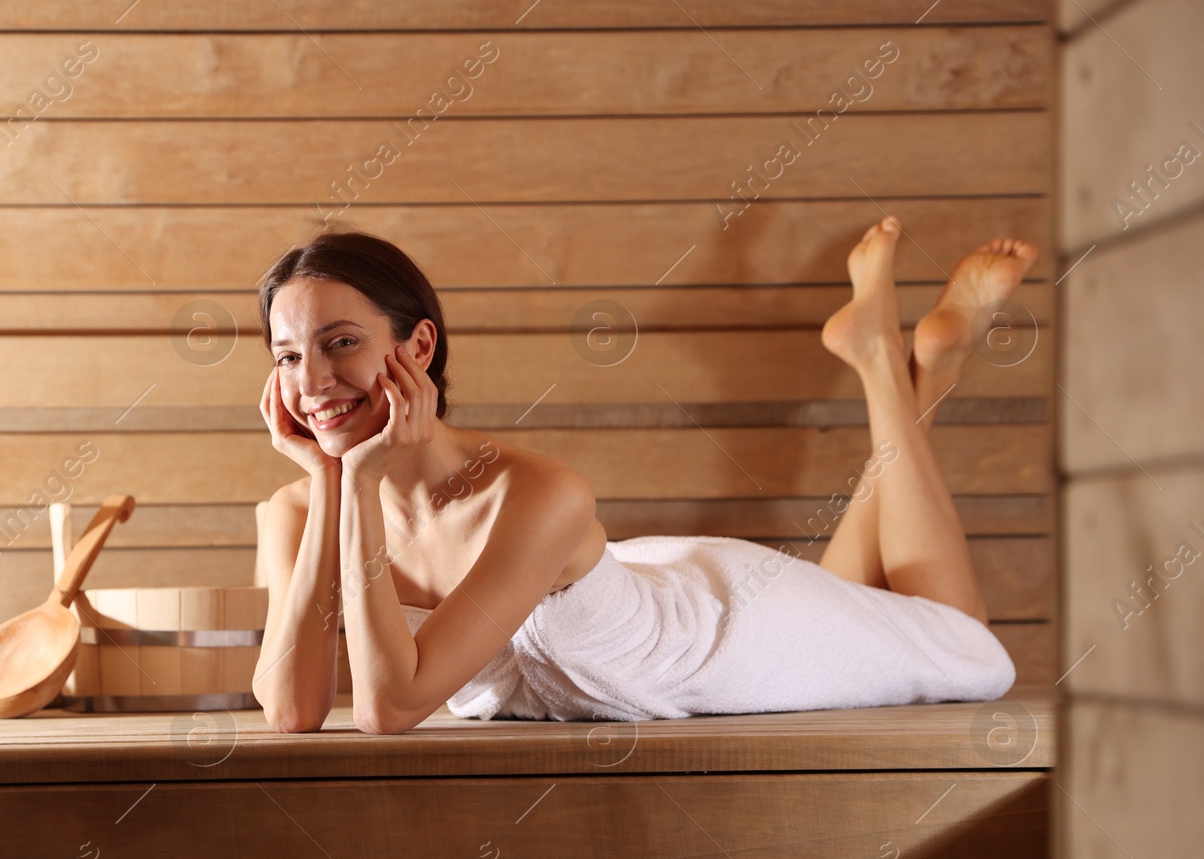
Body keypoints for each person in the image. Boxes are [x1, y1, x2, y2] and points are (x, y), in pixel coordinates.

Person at [252, 222, 1037, 734]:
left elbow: (390, 708)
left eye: (341, 342)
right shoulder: (298, 508)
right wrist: (333, 486)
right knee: (871, 603)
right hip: (652, 584)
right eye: (287, 355)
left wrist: (355, 482)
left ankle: (887, 365)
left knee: (968, 648)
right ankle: (917, 367)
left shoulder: (538, 490)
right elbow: (293, 710)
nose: (312, 379)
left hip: (726, 637)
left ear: (418, 349)